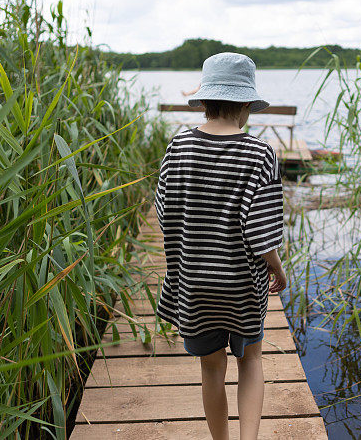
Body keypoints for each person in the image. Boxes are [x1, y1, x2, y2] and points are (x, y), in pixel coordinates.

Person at [154, 52, 287, 440]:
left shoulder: (178, 146)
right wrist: (277, 268)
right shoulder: (260, 154)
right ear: (246, 103)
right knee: (251, 360)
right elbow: (263, 233)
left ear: (206, 98)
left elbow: (165, 214)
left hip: (193, 285)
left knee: (211, 370)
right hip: (242, 288)